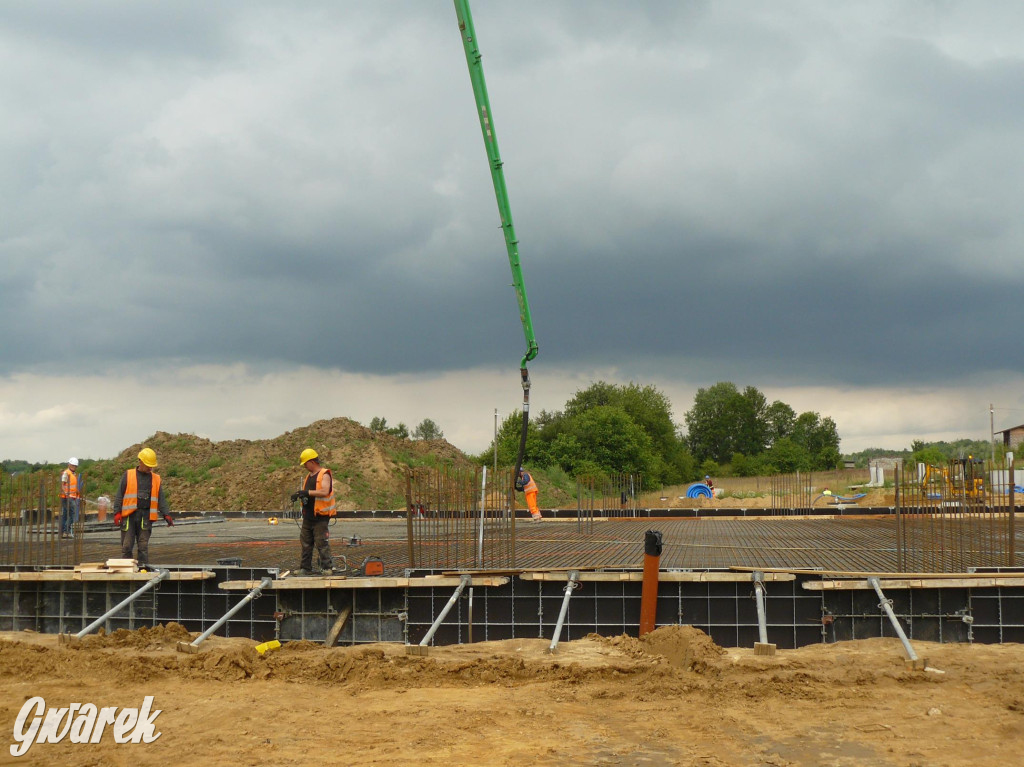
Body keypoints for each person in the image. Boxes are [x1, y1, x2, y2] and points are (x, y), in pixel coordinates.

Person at [113, 447, 174, 571]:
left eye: (152, 466)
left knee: (143, 547)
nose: (150, 468)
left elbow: (161, 498)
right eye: (148, 465)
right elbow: (120, 494)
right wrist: (117, 512)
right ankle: (127, 571)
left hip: (145, 517)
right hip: (129, 516)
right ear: (140, 461)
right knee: (127, 546)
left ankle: (143, 571)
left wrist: (166, 514)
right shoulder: (128, 475)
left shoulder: (156, 479)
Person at [290, 448, 337, 576]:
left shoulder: (324, 474)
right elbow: (309, 494)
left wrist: (307, 492)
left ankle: (327, 568)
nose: (304, 466)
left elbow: (324, 491)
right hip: (308, 516)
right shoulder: (308, 476)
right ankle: (305, 568)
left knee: (321, 543)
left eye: (305, 463)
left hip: (320, 516)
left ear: (312, 462)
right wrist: (300, 495)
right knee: (305, 543)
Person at [60, 457, 81, 539]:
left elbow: (72, 486)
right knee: (73, 513)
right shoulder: (66, 473)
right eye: (73, 465)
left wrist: (76, 491)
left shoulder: (73, 474)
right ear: (69, 465)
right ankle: (66, 531)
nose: (74, 467)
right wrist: (66, 493)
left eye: (75, 466)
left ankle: (63, 532)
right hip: (67, 497)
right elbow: (62, 485)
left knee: (66, 515)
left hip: (71, 496)